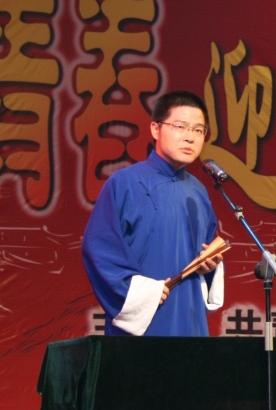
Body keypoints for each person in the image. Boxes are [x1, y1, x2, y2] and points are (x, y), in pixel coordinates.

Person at [82, 91, 224, 336]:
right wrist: (141, 294)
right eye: (180, 126)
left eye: (198, 130)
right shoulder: (125, 183)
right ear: (156, 129)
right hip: (143, 321)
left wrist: (210, 265)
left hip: (190, 317)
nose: (189, 137)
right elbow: (100, 250)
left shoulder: (198, 192)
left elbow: (206, 247)